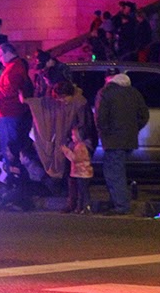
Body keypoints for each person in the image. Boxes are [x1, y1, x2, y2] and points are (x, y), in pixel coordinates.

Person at [94, 71, 149, 215]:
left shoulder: (106, 92)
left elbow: (100, 117)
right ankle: (117, 202)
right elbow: (144, 115)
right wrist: (134, 129)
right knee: (117, 171)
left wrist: (105, 133)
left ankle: (121, 205)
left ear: (109, 79)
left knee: (114, 173)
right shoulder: (134, 92)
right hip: (129, 140)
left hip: (113, 140)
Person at [0, 43, 34, 172]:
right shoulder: (15, 67)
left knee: (10, 149)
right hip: (8, 113)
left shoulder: (14, 68)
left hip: (8, 113)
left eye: (0, 55)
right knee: (12, 148)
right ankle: (15, 181)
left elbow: (11, 89)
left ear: (8, 53)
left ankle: (15, 183)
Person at [61, 126, 94, 214]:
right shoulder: (80, 146)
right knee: (81, 191)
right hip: (82, 173)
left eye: (73, 135)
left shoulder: (80, 146)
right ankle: (80, 208)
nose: (72, 137)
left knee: (84, 191)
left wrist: (66, 151)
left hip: (82, 173)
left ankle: (87, 207)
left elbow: (75, 158)